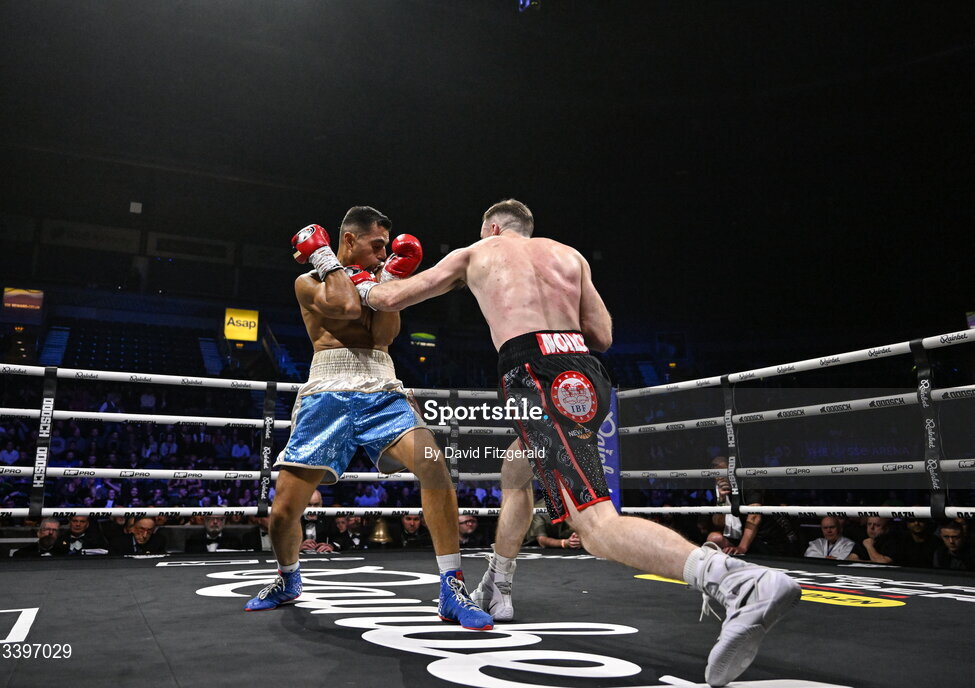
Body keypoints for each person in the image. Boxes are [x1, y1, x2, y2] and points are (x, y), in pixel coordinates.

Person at [361, 198, 800, 686]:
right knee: (516, 468)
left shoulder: (474, 253)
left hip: (535, 374)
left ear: (491, 227)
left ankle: (737, 582)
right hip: (586, 375)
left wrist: (371, 275)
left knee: (594, 525)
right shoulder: (571, 256)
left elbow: (390, 299)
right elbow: (603, 335)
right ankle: (499, 584)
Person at [244, 206, 492, 630]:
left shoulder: (382, 283)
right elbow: (341, 306)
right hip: (326, 391)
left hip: (380, 385)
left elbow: (384, 336)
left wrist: (391, 279)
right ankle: (287, 578)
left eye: (387, 248)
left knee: (434, 466)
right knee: (284, 511)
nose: (383, 255)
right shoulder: (307, 281)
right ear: (349, 240)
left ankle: (452, 587)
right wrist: (323, 257)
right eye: (377, 246)